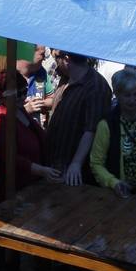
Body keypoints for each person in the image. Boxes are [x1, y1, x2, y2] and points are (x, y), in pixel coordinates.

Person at [0, 65, 59, 204]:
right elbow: (10, 157)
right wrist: (41, 170)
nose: (22, 98)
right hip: (12, 191)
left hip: (32, 185)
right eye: (16, 95)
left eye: (24, 92)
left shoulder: (20, 110)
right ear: (3, 96)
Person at [45, 52, 113, 187]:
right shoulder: (66, 79)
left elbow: (91, 129)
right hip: (55, 166)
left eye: (57, 58)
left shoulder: (96, 87)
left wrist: (76, 163)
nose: (56, 63)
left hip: (76, 174)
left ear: (66, 59)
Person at [90, 68, 136, 199]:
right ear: (117, 94)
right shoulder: (107, 124)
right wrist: (113, 183)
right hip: (118, 195)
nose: (132, 100)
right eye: (127, 95)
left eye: (135, 94)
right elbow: (96, 163)